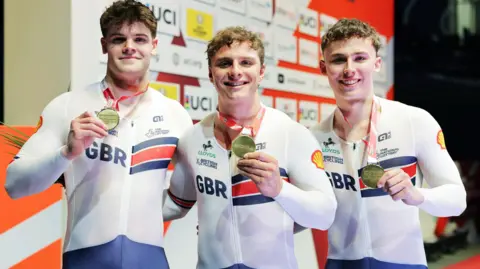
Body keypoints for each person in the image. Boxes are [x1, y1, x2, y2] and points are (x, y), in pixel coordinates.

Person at [4, 1, 192, 268]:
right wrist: (66, 153)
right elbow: (14, 185)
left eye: (139, 38)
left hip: (149, 259)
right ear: (104, 45)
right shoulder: (68, 105)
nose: (129, 46)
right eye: (119, 39)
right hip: (85, 258)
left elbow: (189, 193)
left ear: (154, 45)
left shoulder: (175, 115)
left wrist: (146, 212)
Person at [162, 26, 337, 269]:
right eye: (224, 63)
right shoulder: (192, 138)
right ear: (211, 74)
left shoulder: (290, 133)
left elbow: (325, 214)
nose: (235, 72)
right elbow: (174, 205)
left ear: (261, 71)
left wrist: (279, 189)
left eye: (246, 62)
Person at [308, 18, 467, 268]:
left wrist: (417, 195)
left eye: (360, 58)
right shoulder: (313, 137)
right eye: (339, 59)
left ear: (377, 64)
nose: (349, 69)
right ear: (323, 67)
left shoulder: (414, 120)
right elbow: (308, 214)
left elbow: (457, 200)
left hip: (403, 263)